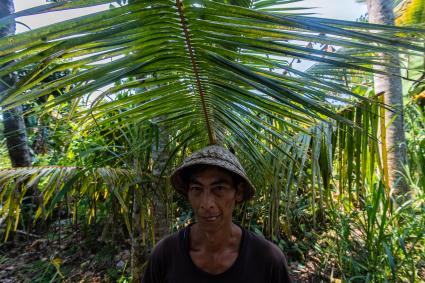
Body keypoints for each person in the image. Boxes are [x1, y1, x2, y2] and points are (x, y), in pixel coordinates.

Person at [142, 145, 293, 283]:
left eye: (219, 188)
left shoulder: (268, 260)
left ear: (238, 192)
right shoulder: (165, 255)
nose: (206, 204)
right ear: (188, 193)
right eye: (197, 189)